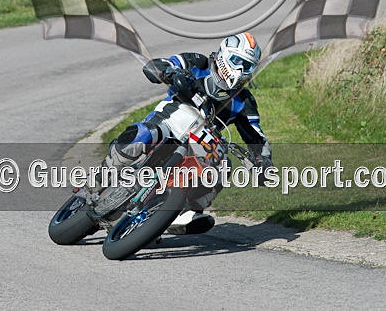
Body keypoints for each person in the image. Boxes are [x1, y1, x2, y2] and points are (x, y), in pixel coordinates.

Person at [98, 33, 272, 235]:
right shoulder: (198, 63)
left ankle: (186, 212)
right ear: (224, 55)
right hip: (169, 120)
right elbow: (157, 65)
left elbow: (257, 136)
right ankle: (103, 175)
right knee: (144, 134)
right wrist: (168, 72)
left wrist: (263, 161)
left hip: (201, 142)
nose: (242, 70)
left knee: (223, 167)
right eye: (238, 62)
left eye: (249, 66)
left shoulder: (244, 101)